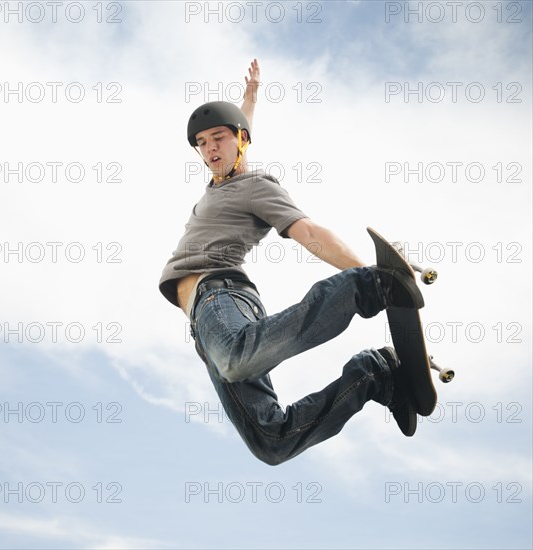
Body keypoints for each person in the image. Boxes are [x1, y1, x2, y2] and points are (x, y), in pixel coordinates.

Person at [159, 59, 424, 465]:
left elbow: (310, 234)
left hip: (221, 299)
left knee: (236, 359)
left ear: (241, 141)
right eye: (202, 143)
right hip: (204, 326)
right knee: (273, 441)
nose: (210, 149)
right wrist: (249, 98)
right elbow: (238, 131)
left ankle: (364, 288)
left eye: (218, 139)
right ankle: (373, 376)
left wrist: (371, 277)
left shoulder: (254, 186)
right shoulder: (221, 186)